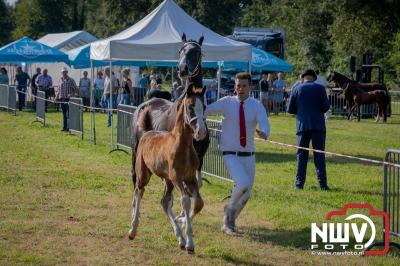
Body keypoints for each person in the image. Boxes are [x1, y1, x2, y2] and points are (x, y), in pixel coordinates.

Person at [205, 72, 270, 235]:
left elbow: (264, 122)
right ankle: (228, 213)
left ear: (250, 87)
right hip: (229, 152)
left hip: (249, 155)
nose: (240, 89)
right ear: (234, 86)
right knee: (243, 184)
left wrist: (264, 132)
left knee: (246, 194)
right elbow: (207, 110)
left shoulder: (256, 105)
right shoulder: (226, 102)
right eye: (238, 85)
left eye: (244, 86)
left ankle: (230, 222)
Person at [287, 69, 330, 191]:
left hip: (302, 126)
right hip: (318, 126)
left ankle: (299, 184)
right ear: (314, 78)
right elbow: (326, 107)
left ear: (302, 77)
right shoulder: (320, 88)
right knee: (319, 155)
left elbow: (290, 109)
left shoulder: (297, 88)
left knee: (301, 156)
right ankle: (323, 185)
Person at [56, 67, 78, 132]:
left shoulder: (71, 80)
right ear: (61, 73)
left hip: (68, 99)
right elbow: (58, 90)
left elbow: (76, 89)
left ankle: (69, 127)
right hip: (62, 99)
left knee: (68, 114)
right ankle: (64, 127)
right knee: (64, 114)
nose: (64, 73)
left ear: (67, 72)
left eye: (65, 72)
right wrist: (56, 97)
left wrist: (72, 93)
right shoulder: (60, 80)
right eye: (63, 72)